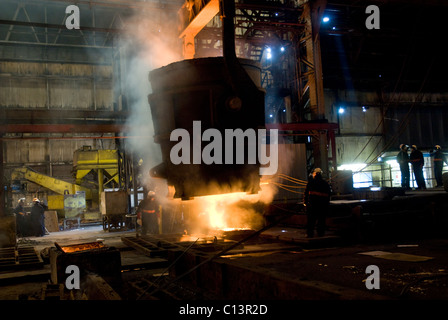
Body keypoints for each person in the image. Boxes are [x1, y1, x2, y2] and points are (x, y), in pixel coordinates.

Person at [303, 168, 331, 238]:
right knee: (321, 220)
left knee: (311, 221)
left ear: (314, 174)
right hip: (322, 206)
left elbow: (306, 194)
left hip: (312, 205)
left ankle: (310, 234)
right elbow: (329, 195)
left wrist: (305, 203)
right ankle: (321, 234)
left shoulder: (311, 183)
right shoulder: (325, 183)